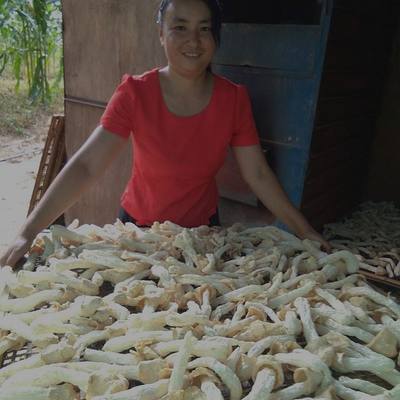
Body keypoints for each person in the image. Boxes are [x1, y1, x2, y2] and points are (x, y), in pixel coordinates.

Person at [0, 0, 329, 268]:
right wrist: (28, 231)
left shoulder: (233, 100)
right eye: (180, 27)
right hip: (139, 230)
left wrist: (304, 230)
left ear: (216, 38)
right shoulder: (135, 93)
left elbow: (257, 173)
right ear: (160, 33)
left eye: (204, 29)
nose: (194, 41)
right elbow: (87, 165)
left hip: (202, 233)